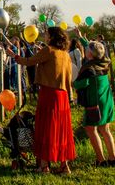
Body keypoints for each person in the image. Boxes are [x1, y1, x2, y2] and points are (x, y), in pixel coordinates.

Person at [8, 27, 75, 174]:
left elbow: (30, 61)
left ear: (52, 37)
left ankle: (44, 166)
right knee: (61, 130)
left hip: (49, 95)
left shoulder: (48, 51)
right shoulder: (65, 54)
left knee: (46, 128)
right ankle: (64, 166)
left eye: (47, 34)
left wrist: (15, 56)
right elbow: (69, 78)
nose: (45, 36)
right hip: (62, 95)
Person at [73, 37, 115, 166]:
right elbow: (96, 49)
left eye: (87, 49)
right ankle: (113, 159)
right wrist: (81, 37)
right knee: (105, 129)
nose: (85, 49)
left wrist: (73, 82)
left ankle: (101, 160)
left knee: (91, 129)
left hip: (95, 103)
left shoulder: (89, 69)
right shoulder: (104, 62)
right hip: (107, 100)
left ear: (90, 54)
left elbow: (80, 84)